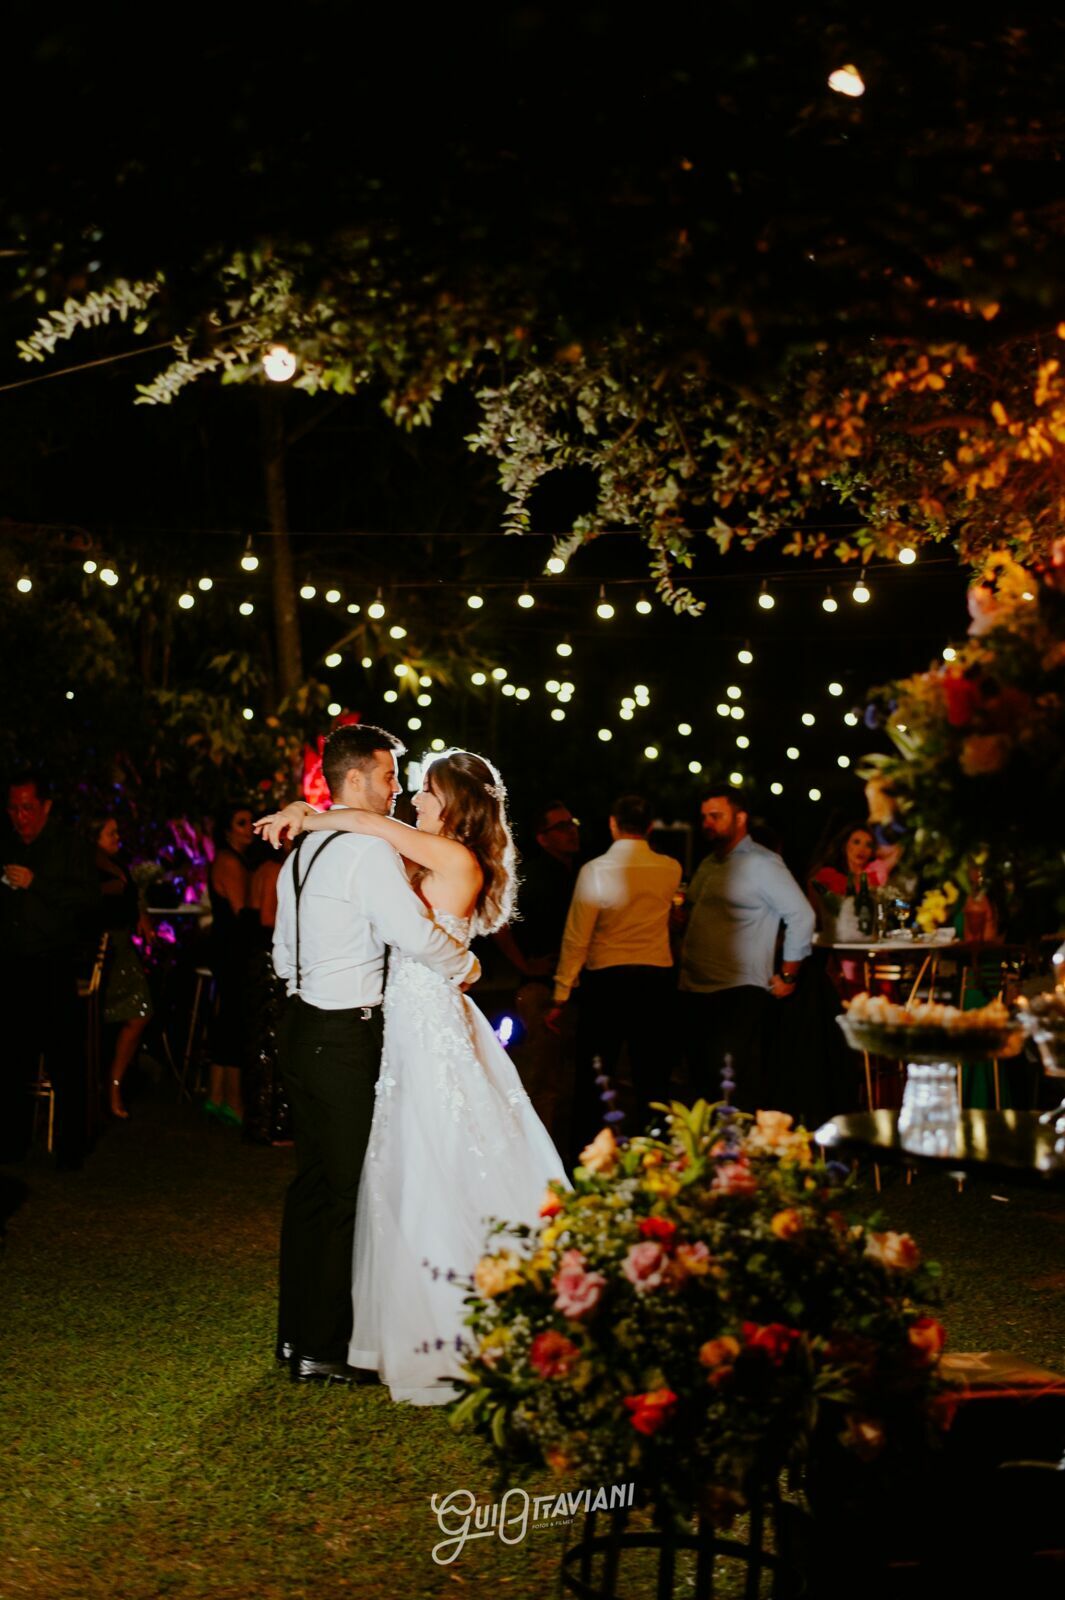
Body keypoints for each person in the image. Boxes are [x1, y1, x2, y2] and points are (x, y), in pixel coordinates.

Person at [259, 743, 567, 1403]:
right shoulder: (395, 851)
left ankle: (357, 1332)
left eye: (423, 788)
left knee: (415, 1166)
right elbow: (378, 859)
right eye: (399, 781)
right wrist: (308, 812)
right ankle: (330, 1337)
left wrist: (304, 814)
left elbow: (365, 833)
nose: (408, 795)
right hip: (381, 1026)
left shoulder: (438, 856)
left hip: (402, 1024)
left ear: (455, 804)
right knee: (365, 1178)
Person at [262, 724, 482, 1387]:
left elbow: (281, 949)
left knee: (310, 1185)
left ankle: (295, 1335)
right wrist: (464, 964)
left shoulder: (304, 849)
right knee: (346, 1192)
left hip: (298, 1025)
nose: (395, 790)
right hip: (342, 1035)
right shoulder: (366, 851)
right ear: (354, 778)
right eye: (388, 777)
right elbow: (411, 934)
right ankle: (323, 1346)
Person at [547, 793, 682, 1161]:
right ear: (650, 826)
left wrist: (561, 992)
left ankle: (590, 1159)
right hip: (656, 979)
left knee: (596, 1078)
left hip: (607, 980)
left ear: (612, 824)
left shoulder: (596, 870)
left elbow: (577, 937)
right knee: (653, 1079)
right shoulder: (671, 869)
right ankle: (659, 1161)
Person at [677, 788, 815, 1111]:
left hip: (738, 991)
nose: (707, 823)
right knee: (702, 1090)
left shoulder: (762, 863)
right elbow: (694, 910)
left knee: (732, 1091)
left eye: (716, 816)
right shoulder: (709, 863)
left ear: (740, 818)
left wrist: (788, 975)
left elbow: (802, 915)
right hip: (694, 989)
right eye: (704, 817)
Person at [0, 775, 98, 1169]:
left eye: (27, 808)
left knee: (64, 1059)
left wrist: (37, 884)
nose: (20, 817)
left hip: (53, 961)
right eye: (14, 808)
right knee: (12, 1059)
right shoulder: (7, 844)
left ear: (45, 807)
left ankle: (71, 1148)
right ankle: (11, 1143)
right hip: (13, 963)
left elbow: (87, 900)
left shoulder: (67, 846)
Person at [492, 800, 581, 1141]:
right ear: (543, 837)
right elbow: (499, 923)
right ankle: (538, 1151)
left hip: (573, 985)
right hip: (540, 987)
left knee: (569, 1078)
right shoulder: (532, 877)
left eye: (572, 824)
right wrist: (523, 963)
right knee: (542, 1080)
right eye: (561, 827)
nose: (571, 832)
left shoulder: (578, 872)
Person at [94, 817, 155, 1119]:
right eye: (111, 833)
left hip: (122, 947)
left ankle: (114, 1082)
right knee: (123, 1015)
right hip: (103, 948)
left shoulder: (117, 863)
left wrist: (140, 914)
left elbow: (132, 895)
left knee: (138, 1012)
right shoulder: (88, 865)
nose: (117, 837)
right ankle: (108, 1084)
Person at [205, 802, 255, 1127]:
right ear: (227, 831)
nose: (249, 828)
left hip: (227, 946)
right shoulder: (230, 862)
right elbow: (242, 913)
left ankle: (217, 1095)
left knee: (227, 1020)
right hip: (233, 948)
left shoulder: (232, 860)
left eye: (250, 822)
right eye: (241, 823)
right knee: (234, 1020)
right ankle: (232, 1100)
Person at [242, 839, 293, 1145]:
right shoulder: (274, 869)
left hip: (258, 956)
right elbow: (266, 917)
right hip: (268, 958)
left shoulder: (261, 868)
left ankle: (262, 1122)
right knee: (270, 1040)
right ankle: (270, 1124)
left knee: (263, 1038)